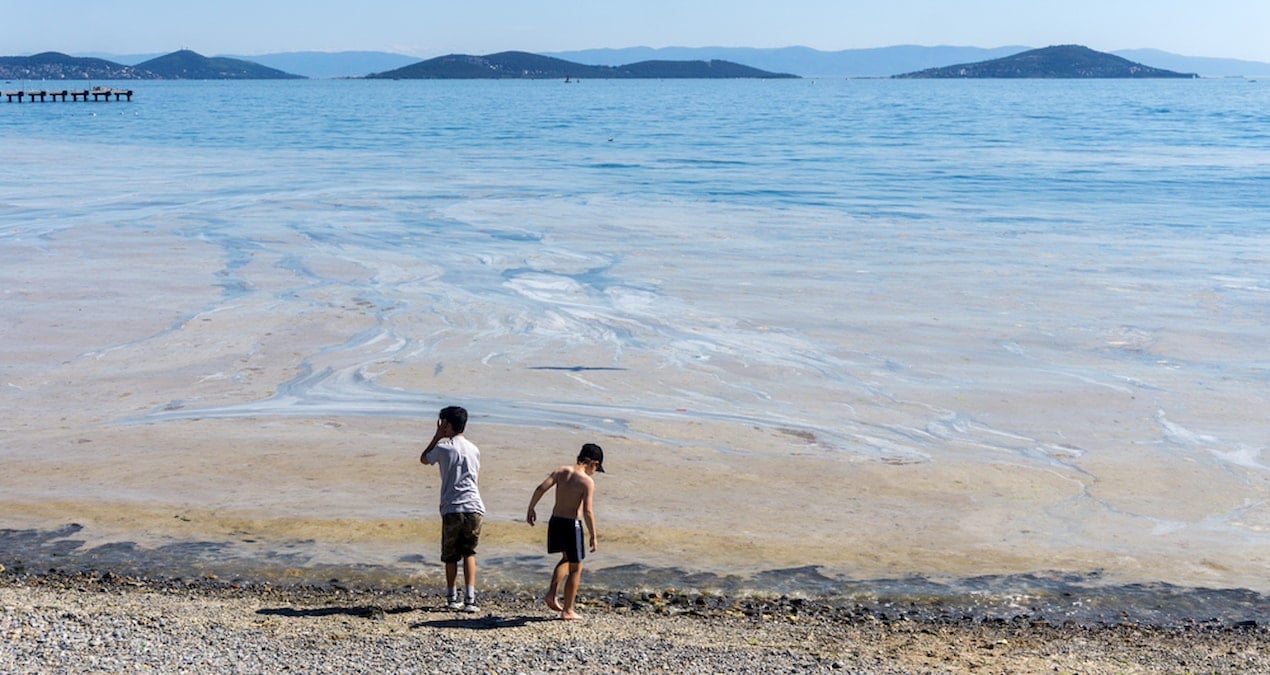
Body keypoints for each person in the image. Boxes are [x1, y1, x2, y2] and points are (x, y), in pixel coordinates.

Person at [525, 443, 604, 620]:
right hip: (571, 524)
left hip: (555, 521)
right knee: (576, 567)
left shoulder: (561, 471)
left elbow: (541, 488)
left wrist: (531, 508)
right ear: (594, 463)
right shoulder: (587, 481)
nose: (594, 472)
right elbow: (588, 511)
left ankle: (552, 594)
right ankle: (568, 610)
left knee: (566, 559)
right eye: (596, 469)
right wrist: (593, 535)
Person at [419, 405, 485, 613]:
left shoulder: (443, 447)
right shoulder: (474, 449)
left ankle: (452, 597)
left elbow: (424, 458)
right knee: (469, 553)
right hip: (474, 505)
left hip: (452, 506)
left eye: (442, 423)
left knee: (450, 556)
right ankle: (470, 599)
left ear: (447, 424)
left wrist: (437, 435)